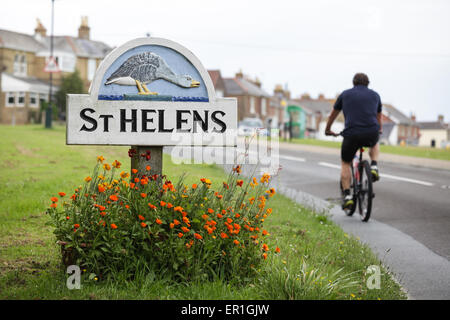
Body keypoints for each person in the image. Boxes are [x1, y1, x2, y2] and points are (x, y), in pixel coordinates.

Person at [325, 73, 382, 209]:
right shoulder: (375, 95)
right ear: (368, 83)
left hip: (352, 134)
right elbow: (378, 116)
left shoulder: (345, 94)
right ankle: (374, 165)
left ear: (353, 83)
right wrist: (378, 130)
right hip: (370, 132)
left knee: (346, 162)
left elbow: (333, 114)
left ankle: (347, 196)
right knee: (374, 142)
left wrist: (328, 129)